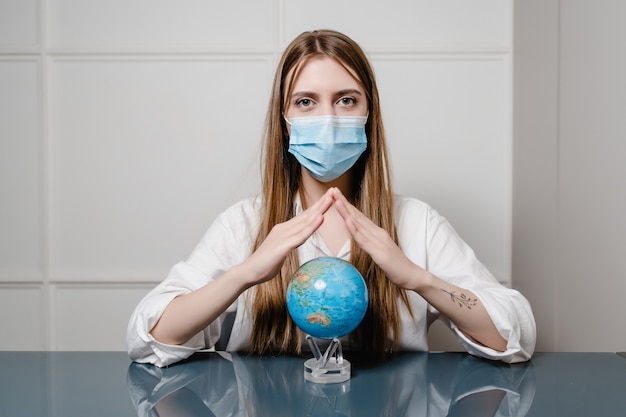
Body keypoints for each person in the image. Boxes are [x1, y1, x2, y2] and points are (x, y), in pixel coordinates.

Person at [127, 29, 536, 367]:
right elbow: (148, 338)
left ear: (368, 115)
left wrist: (417, 278)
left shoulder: (416, 222)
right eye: (306, 102)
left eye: (346, 100)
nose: (329, 118)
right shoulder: (244, 224)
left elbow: (514, 336)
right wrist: (245, 274)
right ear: (285, 122)